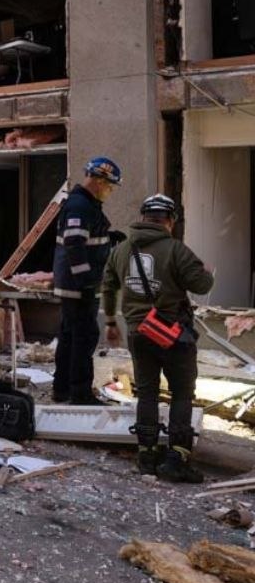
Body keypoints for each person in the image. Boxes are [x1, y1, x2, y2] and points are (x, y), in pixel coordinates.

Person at [102, 194, 214, 483]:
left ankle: (147, 456)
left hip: (138, 332)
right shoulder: (176, 249)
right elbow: (201, 285)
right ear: (170, 220)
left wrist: (111, 321)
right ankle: (177, 459)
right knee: (182, 393)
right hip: (172, 332)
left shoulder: (121, 250)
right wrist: (206, 272)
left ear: (143, 217)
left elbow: (108, 286)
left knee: (147, 393)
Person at [53, 157, 121, 405]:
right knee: (84, 338)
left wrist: (108, 237)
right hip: (78, 287)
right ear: (99, 181)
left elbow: (85, 237)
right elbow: (74, 243)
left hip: (75, 286)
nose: (110, 191)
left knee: (70, 337)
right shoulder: (80, 205)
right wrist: (86, 281)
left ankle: (62, 389)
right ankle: (80, 393)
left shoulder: (84, 204)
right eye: (110, 186)